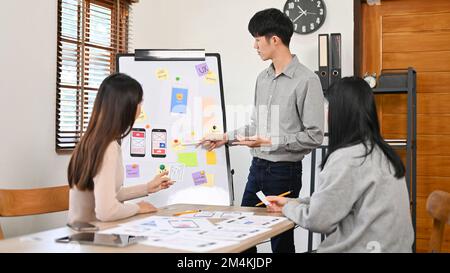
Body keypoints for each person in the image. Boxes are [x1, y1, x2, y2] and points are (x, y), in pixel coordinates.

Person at [200, 8, 324, 253]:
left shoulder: (307, 80)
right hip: (257, 169)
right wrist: (224, 138)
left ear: (274, 39)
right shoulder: (263, 78)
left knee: (280, 240)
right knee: (242, 234)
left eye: (257, 39)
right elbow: (256, 127)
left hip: (284, 172)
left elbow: (314, 135)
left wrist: (269, 141)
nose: (255, 46)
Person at [266, 77, 415, 253]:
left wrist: (289, 208)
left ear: (340, 113)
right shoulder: (381, 152)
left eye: (328, 108)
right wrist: (293, 202)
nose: (326, 115)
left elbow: (318, 220)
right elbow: (336, 200)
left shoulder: (348, 158)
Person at [67, 73, 173, 223]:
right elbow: (106, 212)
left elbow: (108, 194)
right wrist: (138, 208)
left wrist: (146, 188)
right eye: (139, 103)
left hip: (80, 234)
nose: (140, 109)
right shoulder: (108, 147)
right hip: (93, 238)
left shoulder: (91, 141)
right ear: (125, 107)